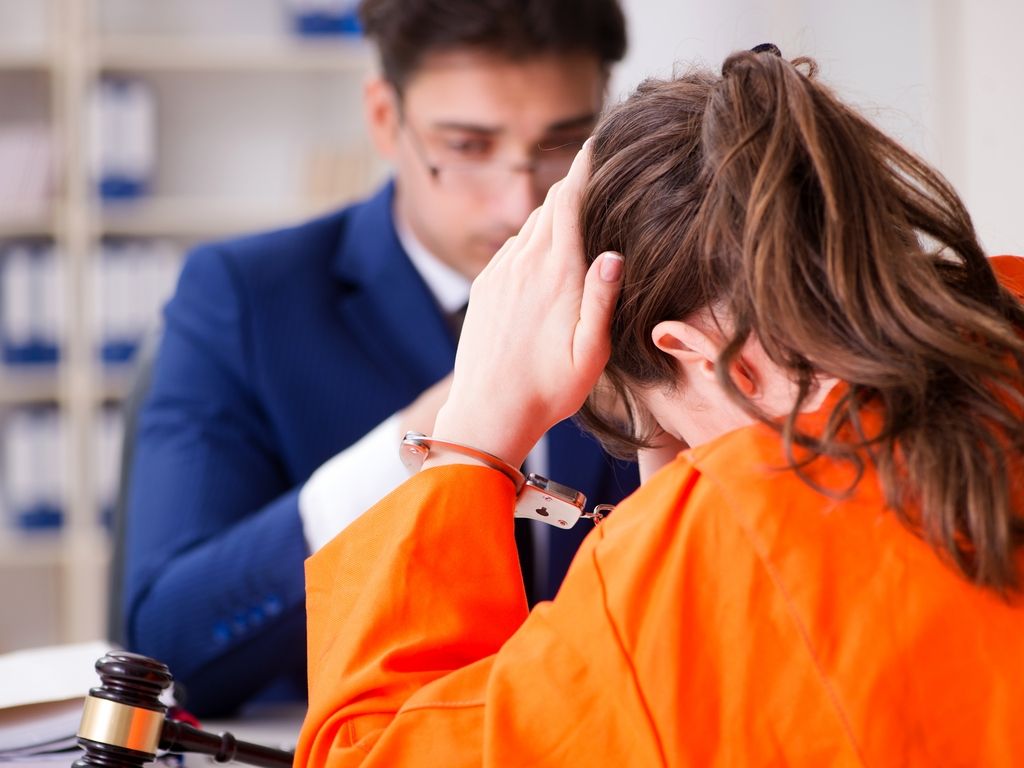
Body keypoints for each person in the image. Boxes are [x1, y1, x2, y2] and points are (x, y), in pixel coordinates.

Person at [295, 47, 1024, 765]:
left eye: (666, 431)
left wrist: (471, 439)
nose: (673, 478)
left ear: (698, 354)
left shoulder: (728, 541)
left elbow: (360, 756)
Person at [120, 0, 637, 716]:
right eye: (468, 146)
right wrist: (436, 438)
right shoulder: (244, 298)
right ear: (385, 119)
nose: (519, 202)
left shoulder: (654, 286)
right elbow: (168, 644)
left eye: (564, 144)